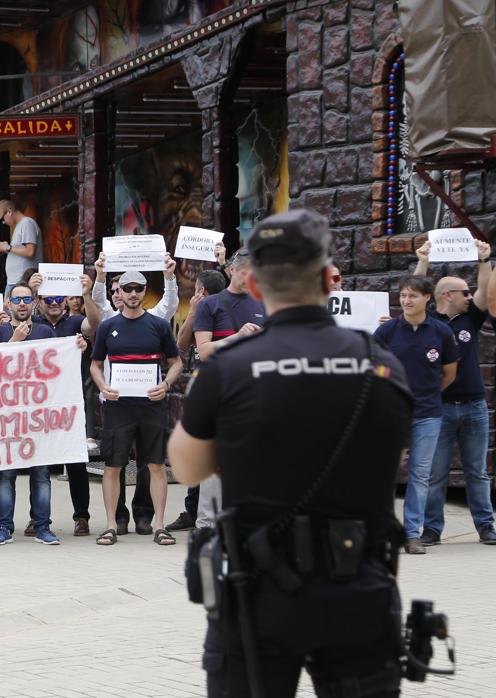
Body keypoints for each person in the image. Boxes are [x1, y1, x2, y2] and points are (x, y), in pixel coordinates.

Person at [168, 208, 412, 697]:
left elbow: (188, 468)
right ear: (328, 279)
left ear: (255, 287)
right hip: (358, 587)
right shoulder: (380, 364)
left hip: (258, 590)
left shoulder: (230, 369)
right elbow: (394, 451)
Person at [0, 283, 83, 546]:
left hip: (38, 418)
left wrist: (76, 348)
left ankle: (42, 527)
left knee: (40, 474)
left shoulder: (45, 331)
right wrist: (13, 342)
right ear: (8, 304)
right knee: (6, 475)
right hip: (6, 418)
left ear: (35, 302)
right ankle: (4, 528)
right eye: (17, 300)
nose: (22, 304)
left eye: (27, 299)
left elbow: (59, 367)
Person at [410, 241, 496, 545]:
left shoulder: (470, 319)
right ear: (448, 295)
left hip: (474, 405)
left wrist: (484, 260)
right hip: (440, 407)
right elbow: (415, 293)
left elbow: (486, 295)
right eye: (465, 292)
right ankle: (432, 529)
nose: (471, 297)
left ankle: (486, 526)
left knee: (477, 471)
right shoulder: (428, 321)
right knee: (436, 473)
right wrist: (423, 260)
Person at [89, 270, 183, 547]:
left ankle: (159, 525)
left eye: (137, 288)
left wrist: (165, 385)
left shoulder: (158, 325)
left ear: (144, 291)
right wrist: (103, 386)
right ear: (120, 292)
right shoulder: (108, 326)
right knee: (113, 466)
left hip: (151, 405)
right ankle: (110, 526)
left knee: (155, 465)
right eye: (127, 288)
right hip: (118, 406)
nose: (132, 293)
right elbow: (95, 365)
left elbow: (176, 362)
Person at [374, 275, 459, 554]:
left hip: (428, 414)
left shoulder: (441, 332)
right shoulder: (388, 332)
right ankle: (384, 531)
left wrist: (427, 393)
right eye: (403, 296)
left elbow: (448, 373)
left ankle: (412, 535)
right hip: (392, 413)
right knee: (385, 474)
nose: (406, 301)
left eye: (412, 296)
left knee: (420, 475)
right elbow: (373, 367)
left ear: (427, 299)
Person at [27, 271, 103, 536]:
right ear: (41, 300)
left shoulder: (76, 322)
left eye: (60, 298)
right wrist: (29, 291)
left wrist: (86, 294)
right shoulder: (31, 323)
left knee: (76, 462)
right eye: (49, 299)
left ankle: (81, 516)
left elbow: (95, 325)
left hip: (70, 402)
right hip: (38, 403)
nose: (56, 303)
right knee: (39, 463)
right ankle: (36, 517)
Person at [167, 267, 231, 533]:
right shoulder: (202, 311)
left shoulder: (227, 309)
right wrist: (193, 313)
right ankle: (193, 510)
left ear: (201, 291)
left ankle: (208, 516)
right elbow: (180, 345)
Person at [91, 251, 181, 322]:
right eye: (113, 291)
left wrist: (169, 277)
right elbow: (99, 301)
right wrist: (100, 276)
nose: (116, 295)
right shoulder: (110, 319)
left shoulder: (154, 318)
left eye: (137, 289)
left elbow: (169, 304)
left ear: (144, 291)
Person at [0, 200, 42, 295]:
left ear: (9, 211)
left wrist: (8, 248)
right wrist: (6, 248)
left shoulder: (27, 223)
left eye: (2, 218)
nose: (3, 222)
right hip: (16, 281)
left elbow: (30, 251)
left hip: (23, 282)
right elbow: (21, 252)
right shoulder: (20, 225)